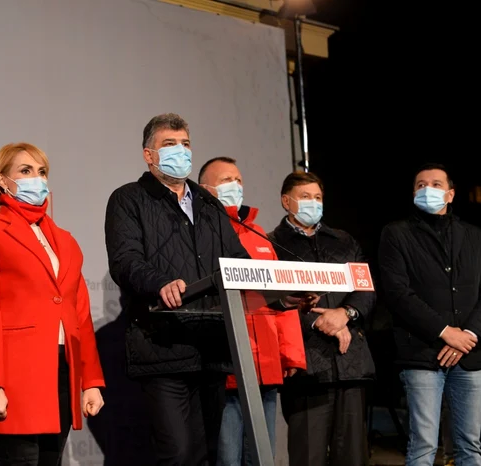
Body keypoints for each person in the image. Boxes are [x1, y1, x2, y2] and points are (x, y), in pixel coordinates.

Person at [104, 113, 250, 466]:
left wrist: (278, 290)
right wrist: (160, 283)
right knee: (177, 453)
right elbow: (125, 261)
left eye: (185, 144)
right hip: (163, 344)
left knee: (206, 455)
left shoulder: (209, 204)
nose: (181, 152)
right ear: (148, 155)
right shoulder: (129, 199)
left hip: (212, 347)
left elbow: (237, 259)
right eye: (170, 144)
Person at [0, 142, 105, 466]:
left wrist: (91, 382)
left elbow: (80, 315)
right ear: (3, 180)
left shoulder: (65, 240)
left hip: (63, 370)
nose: (36, 179)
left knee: (50, 461)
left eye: (41, 172)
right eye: (25, 171)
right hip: (17, 374)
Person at [198, 157, 306, 466]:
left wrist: (290, 354)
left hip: (267, 364)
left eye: (238, 180)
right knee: (228, 458)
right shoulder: (202, 234)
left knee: (262, 455)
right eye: (226, 180)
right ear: (205, 190)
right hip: (227, 365)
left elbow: (280, 299)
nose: (235, 186)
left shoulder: (259, 235)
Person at [269, 171, 375, 466]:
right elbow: (270, 305)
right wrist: (316, 322)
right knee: (308, 455)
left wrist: (345, 314)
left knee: (353, 457)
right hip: (306, 367)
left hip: (350, 362)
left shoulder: (343, 241)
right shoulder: (271, 245)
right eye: (305, 197)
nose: (313, 203)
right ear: (285, 201)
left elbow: (365, 290)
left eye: (317, 198)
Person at [378, 163, 481, 466]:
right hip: (421, 351)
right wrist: (446, 332)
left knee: (471, 445)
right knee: (423, 444)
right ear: (412, 193)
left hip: (469, 353)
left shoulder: (474, 236)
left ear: (450, 194)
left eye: (435, 184)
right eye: (420, 185)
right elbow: (398, 294)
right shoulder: (396, 234)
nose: (427, 190)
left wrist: (468, 335)